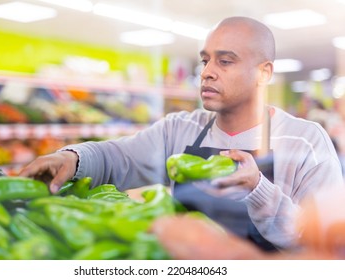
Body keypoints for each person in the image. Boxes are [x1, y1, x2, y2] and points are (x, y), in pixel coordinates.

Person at [19, 16, 343, 251]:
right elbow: (119, 157)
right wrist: (73, 158)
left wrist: (259, 189)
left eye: (225, 61)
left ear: (264, 73)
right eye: (205, 60)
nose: (206, 72)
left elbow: (328, 244)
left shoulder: (306, 141)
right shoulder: (180, 128)